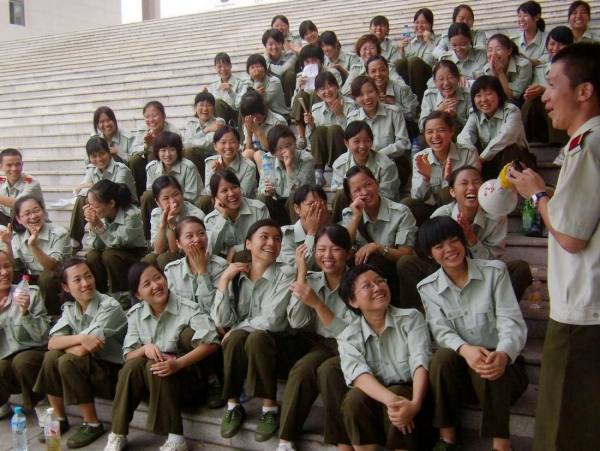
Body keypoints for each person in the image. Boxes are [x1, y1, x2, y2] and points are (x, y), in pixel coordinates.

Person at [507, 42, 600, 451]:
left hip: (583, 310)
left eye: (552, 84)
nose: (544, 95)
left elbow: (570, 235)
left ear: (584, 90)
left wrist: (536, 193)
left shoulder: (588, 146)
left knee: (562, 429)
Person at [417, 216, 528, 451]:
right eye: (439, 246)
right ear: (430, 254)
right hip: (462, 376)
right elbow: (441, 330)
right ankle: (447, 439)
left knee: (489, 360)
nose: (449, 249)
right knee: (441, 358)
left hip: (504, 373)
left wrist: (504, 354)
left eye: (453, 240)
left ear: (463, 241)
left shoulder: (494, 273)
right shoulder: (428, 287)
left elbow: (510, 321)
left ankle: (501, 445)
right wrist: (465, 350)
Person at [103, 262, 220, 451]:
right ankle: (118, 434)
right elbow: (128, 355)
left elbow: (212, 342)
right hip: (152, 386)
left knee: (156, 364)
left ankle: (176, 438)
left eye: (158, 278)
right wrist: (145, 348)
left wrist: (178, 364)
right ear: (138, 295)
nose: (156, 285)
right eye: (147, 284)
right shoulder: (135, 315)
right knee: (133, 366)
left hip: (187, 383)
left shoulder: (187, 308)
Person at [211, 219, 309, 442]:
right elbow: (222, 319)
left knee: (253, 336)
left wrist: (235, 329)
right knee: (236, 337)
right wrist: (224, 280)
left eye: (277, 239)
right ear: (248, 244)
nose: (271, 243)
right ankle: (233, 405)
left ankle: (270, 407)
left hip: (279, 346)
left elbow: (272, 321)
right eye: (264, 237)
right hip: (246, 347)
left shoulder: (285, 273)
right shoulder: (237, 275)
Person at [397, 165, 532, 312]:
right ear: (452, 192)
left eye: (476, 182)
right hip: (446, 273)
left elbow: (492, 261)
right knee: (406, 263)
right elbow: (435, 256)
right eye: (464, 183)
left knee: (520, 269)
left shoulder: (496, 215)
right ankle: (428, 315)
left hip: (482, 274)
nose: (471, 188)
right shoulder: (442, 214)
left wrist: (470, 237)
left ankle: (494, 313)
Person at [337, 264, 434, 451]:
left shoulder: (411, 318)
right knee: (354, 399)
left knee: (399, 393)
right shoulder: (348, 336)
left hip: (413, 399)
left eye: (380, 281)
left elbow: (420, 362)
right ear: (353, 301)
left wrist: (414, 404)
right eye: (367, 286)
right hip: (380, 402)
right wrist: (392, 400)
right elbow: (358, 375)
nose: (377, 288)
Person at [33, 258, 127, 449]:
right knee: (51, 357)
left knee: (68, 360)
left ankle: (92, 423)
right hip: (89, 367)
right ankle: (59, 418)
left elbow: (85, 349)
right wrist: (81, 338)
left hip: (113, 373)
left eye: (88, 276)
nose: (86, 283)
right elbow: (52, 343)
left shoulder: (109, 307)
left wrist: (76, 343)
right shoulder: (71, 308)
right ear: (66, 287)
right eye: (77, 280)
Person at [277, 225, 356, 451]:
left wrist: (317, 304)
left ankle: (341, 441)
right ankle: (285, 441)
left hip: (353, 346)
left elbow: (350, 333)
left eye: (335, 249)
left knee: (328, 372)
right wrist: (302, 273)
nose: (327, 255)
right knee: (302, 370)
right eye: (321, 249)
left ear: (348, 253)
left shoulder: (359, 281)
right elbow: (297, 321)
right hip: (323, 345)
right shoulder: (311, 280)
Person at [164, 216, 228, 408]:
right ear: (178, 243)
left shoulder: (221, 267)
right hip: (187, 326)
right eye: (189, 236)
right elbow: (174, 309)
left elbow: (217, 309)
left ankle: (213, 379)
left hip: (215, 324)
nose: (197, 240)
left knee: (203, 332)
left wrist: (202, 273)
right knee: (185, 333)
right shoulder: (172, 270)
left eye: (201, 234)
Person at [341, 166, 417, 302]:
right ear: (350, 197)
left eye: (368, 184)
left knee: (387, 260)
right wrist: (356, 217)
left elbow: (405, 254)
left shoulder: (401, 213)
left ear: (377, 183)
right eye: (357, 190)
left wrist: (377, 247)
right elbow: (343, 247)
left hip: (392, 271)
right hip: (363, 277)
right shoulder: (349, 214)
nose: (364, 192)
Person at [405, 111, 479, 225]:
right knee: (408, 204)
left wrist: (447, 181)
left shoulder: (468, 153)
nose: (435, 136)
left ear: (452, 131)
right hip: (430, 208)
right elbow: (417, 197)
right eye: (429, 132)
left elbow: (471, 191)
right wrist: (426, 178)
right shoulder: (420, 157)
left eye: (441, 130)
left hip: (457, 208)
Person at [0, 250, 49, 419]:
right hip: (6, 358)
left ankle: (42, 405)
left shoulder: (30, 293)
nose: (4, 272)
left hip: (34, 352)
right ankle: (2, 402)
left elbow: (42, 335)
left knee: (22, 361)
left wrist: (26, 313)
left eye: (7, 266)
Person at [1, 195, 71, 315]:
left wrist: (33, 246)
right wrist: (8, 244)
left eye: (36, 211)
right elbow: (14, 266)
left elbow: (53, 266)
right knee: (8, 273)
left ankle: (52, 315)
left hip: (58, 279)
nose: (33, 216)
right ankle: (13, 312)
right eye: (27, 214)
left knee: (46, 277)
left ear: (43, 211)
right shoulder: (18, 236)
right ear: (19, 219)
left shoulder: (60, 233)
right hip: (31, 278)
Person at [457, 75, 534, 179]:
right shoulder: (475, 114)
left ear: (499, 95)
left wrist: (482, 158)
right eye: (478, 95)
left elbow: (507, 136)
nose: (483, 99)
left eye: (488, 94)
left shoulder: (512, 111)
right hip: (489, 161)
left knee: (510, 149)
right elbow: (464, 136)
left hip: (518, 159)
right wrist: (472, 155)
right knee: (465, 149)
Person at [70, 137, 136, 251]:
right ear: (89, 158)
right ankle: (75, 241)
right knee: (81, 199)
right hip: (102, 206)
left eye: (102, 154)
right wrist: (89, 189)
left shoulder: (121, 169)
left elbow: (115, 194)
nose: (99, 159)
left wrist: (91, 186)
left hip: (122, 207)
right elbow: (80, 190)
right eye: (94, 156)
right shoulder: (92, 170)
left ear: (109, 152)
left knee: (92, 197)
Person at [84, 180, 147, 296]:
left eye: (95, 206)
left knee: (110, 255)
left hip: (134, 253)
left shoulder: (132, 215)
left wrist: (100, 227)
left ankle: (122, 294)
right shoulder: (101, 216)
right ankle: (101, 293)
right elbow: (95, 245)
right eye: (89, 206)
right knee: (92, 256)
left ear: (111, 203)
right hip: (111, 251)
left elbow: (118, 243)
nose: (91, 210)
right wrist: (93, 226)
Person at [347, 75, 411, 186]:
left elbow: (403, 143)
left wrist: (376, 155)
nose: (366, 97)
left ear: (377, 92)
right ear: (355, 99)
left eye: (370, 92)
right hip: (364, 165)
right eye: (360, 95)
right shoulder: (353, 118)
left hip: (392, 161)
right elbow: (351, 147)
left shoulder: (394, 112)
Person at [330, 121, 399, 222]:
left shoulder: (386, 164)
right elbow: (339, 194)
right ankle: (339, 228)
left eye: (367, 141)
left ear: (372, 142)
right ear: (346, 143)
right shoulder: (340, 164)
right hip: (351, 207)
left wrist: (364, 198)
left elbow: (388, 195)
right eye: (356, 141)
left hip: (379, 209)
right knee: (341, 194)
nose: (362, 146)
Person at [141, 130, 202, 239]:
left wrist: (173, 203)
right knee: (146, 195)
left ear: (178, 151)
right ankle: (148, 238)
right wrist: (164, 205)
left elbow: (192, 196)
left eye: (172, 150)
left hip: (184, 205)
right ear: (157, 152)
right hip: (161, 205)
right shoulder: (152, 167)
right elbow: (151, 192)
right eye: (163, 150)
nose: (167, 154)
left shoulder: (188, 167)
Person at [522, 26, 573, 144]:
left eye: (561, 44)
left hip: (564, 106)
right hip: (542, 108)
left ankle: (559, 144)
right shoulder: (540, 69)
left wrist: (544, 90)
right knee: (530, 102)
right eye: (552, 44)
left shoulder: (575, 68)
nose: (555, 48)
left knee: (555, 102)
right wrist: (530, 94)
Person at [304, 71, 357, 183]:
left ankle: (338, 171)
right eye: (322, 89)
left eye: (330, 86)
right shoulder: (316, 108)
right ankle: (318, 172)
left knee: (334, 129)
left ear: (337, 87)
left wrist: (340, 115)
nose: (327, 91)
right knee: (319, 130)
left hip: (344, 151)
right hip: (325, 153)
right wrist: (311, 125)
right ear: (317, 93)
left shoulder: (350, 105)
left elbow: (354, 134)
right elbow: (310, 141)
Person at [204, 170, 269, 260]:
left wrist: (237, 249)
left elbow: (267, 240)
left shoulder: (259, 210)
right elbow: (211, 252)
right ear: (216, 197)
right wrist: (223, 217)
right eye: (224, 190)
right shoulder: (211, 219)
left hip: (258, 257)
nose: (231, 193)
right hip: (225, 263)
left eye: (234, 187)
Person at [257, 125, 315, 226]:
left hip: (299, 204)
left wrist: (289, 167)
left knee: (294, 195)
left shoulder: (306, 159)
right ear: (273, 151)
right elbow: (261, 187)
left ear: (295, 143)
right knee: (262, 197)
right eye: (280, 148)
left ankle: (298, 231)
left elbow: (303, 191)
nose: (286, 150)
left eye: (289, 145)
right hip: (278, 202)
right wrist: (268, 191)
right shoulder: (268, 159)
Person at [146, 176, 205, 269]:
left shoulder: (195, 215)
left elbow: (174, 251)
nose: (173, 201)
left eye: (176, 194)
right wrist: (163, 225)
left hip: (190, 254)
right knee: (148, 260)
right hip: (167, 251)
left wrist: (171, 225)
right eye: (166, 198)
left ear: (182, 193)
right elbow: (157, 249)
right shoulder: (156, 213)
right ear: (157, 202)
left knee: (163, 259)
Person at [290, 44, 342, 150]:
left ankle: (313, 131)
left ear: (320, 61)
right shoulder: (300, 77)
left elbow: (338, 93)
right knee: (301, 95)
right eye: (307, 62)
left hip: (325, 106)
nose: (310, 64)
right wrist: (299, 87)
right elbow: (293, 104)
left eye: (314, 61)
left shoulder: (332, 73)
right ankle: (302, 137)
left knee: (315, 93)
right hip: (306, 109)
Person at [129, 101, 180, 199]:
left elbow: (177, 151)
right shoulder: (143, 130)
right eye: (147, 117)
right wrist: (146, 146)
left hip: (167, 164)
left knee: (152, 154)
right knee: (134, 160)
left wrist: (155, 146)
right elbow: (132, 151)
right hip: (145, 164)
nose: (151, 120)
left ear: (164, 116)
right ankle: (140, 196)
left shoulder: (173, 131)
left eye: (155, 115)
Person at [201, 125, 257, 210]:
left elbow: (242, 194)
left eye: (232, 142)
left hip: (242, 206)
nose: (228, 147)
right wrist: (217, 175)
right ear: (215, 146)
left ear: (238, 144)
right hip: (218, 203)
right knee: (203, 201)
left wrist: (222, 174)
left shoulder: (249, 166)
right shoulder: (211, 162)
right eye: (223, 143)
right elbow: (208, 191)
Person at [396, 8, 442, 101]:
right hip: (411, 81)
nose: (419, 26)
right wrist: (401, 50)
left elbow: (441, 60)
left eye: (423, 22)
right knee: (399, 63)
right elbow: (401, 67)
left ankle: (419, 102)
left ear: (430, 24)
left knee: (414, 61)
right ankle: (406, 99)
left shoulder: (439, 40)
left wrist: (429, 41)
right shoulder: (409, 42)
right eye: (416, 23)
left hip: (430, 77)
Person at [277, 184, 329, 267]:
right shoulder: (285, 235)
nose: (318, 208)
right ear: (297, 209)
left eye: (322, 203)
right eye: (311, 204)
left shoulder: (331, 233)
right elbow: (295, 270)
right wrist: (311, 233)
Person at [366, 55, 419, 130]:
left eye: (382, 70)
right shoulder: (365, 94)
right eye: (373, 71)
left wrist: (393, 103)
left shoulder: (402, 89)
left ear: (388, 70)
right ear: (368, 74)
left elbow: (412, 115)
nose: (378, 74)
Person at [420, 60, 472, 133]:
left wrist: (456, 117)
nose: (446, 83)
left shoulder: (468, 96)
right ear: (435, 81)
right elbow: (422, 127)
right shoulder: (430, 96)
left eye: (450, 77)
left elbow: (474, 128)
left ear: (458, 78)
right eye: (441, 79)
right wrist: (438, 112)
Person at [182, 91, 224, 178]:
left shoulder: (219, 122)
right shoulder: (190, 124)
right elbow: (185, 144)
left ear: (213, 108)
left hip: (214, 159)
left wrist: (191, 141)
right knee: (187, 152)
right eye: (201, 105)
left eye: (208, 105)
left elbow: (208, 143)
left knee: (188, 152)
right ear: (195, 107)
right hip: (196, 159)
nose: (205, 109)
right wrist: (206, 130)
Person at [239, 90, 287, 166]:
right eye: (250, 116)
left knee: (258, 155)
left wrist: (258, 132)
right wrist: (249, 135)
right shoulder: (248, 122)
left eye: (255, 114)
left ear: (262, 109)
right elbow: (248, 150)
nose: (253, 118)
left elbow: (276, 150)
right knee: (247, 153)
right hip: (257, 160)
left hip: (277, 159)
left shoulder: (278, 121)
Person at [481, 34, 533, 102]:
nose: (493, 53)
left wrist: (500, 73)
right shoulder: (487, 69)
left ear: (509, 51)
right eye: (490, 50)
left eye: (498, 49)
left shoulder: (524, 65)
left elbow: (512, 97)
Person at [0, 148, 43, 226]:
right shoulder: (1, 182)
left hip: (33, 224)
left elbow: (19, 204)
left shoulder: (32, 183)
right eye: (9, 165)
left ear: (22, 164)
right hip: (9, 222)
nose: (14, 168)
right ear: (1, 167)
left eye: (17, 164)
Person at [238, 54, 289, 119]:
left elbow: (264, 101)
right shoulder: (247, 83)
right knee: (243, 109)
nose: (256, 69)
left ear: (265, 68)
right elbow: (238, 104)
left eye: (258, 66)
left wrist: (257, 80)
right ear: (248, 72)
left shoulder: (274, 81)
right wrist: (255, 92)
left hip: (278, 115)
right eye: (252, 67)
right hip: (258, 115)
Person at [207, 52, 247, 126]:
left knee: (218, 103)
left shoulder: (241, 84)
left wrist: (230, 91)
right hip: (219, 120)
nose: (223, 69)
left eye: (226, 65)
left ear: (231, 65)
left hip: (237, 118)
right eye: (219, 66)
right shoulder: (212, 87)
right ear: (215, 68)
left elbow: (240, 106)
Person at [263, 28, 297, 106]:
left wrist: (267, 63)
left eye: (277, 43)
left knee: (289, 74)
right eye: (270, 44)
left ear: (282, 44)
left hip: (287, 90)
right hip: (270, 92)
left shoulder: (291, 56)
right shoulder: (262, 60)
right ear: (265, 46)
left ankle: (289, 105)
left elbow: (282, 71)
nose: (274, 47)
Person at [511, 1, 548, 67]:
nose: (521, 19)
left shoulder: (548, 40)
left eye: (525, 15)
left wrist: (528, 61)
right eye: (519, 16)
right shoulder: (512, 41)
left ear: (537, 17)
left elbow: (548, 59)